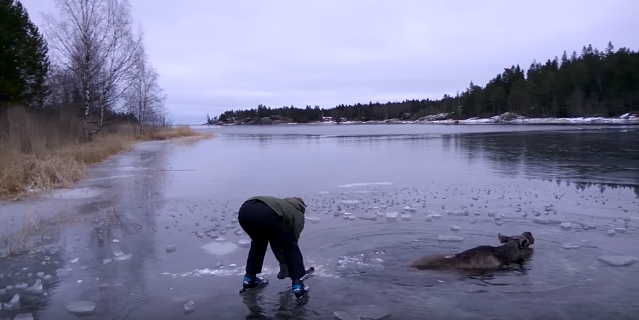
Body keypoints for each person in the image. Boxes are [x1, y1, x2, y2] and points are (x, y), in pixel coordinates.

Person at [237, 195, 309, 298]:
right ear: (302, 206)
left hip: (245, 211)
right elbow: (291, 241)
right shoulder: (296, 211)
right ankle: (298, 286)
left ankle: (249, 279)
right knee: (290, 247)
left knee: (258, 243)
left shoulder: (280, 204)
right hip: (266, 214)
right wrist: (286, 267)